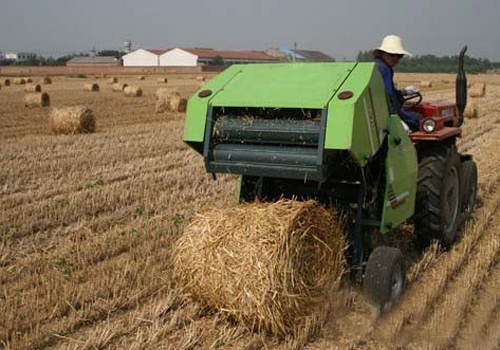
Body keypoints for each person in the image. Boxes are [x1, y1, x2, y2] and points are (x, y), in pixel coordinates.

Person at [373, 35, 420, 132]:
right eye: (392, 54)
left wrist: (404, 92)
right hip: (386, 113)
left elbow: (387, 92)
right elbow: (389, 98)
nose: (396, 59)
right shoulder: (383, 69)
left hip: (380, 111)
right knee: (417, 121)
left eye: (399, 56)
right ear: (382, 53)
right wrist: (397, 119)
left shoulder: (377, 66)